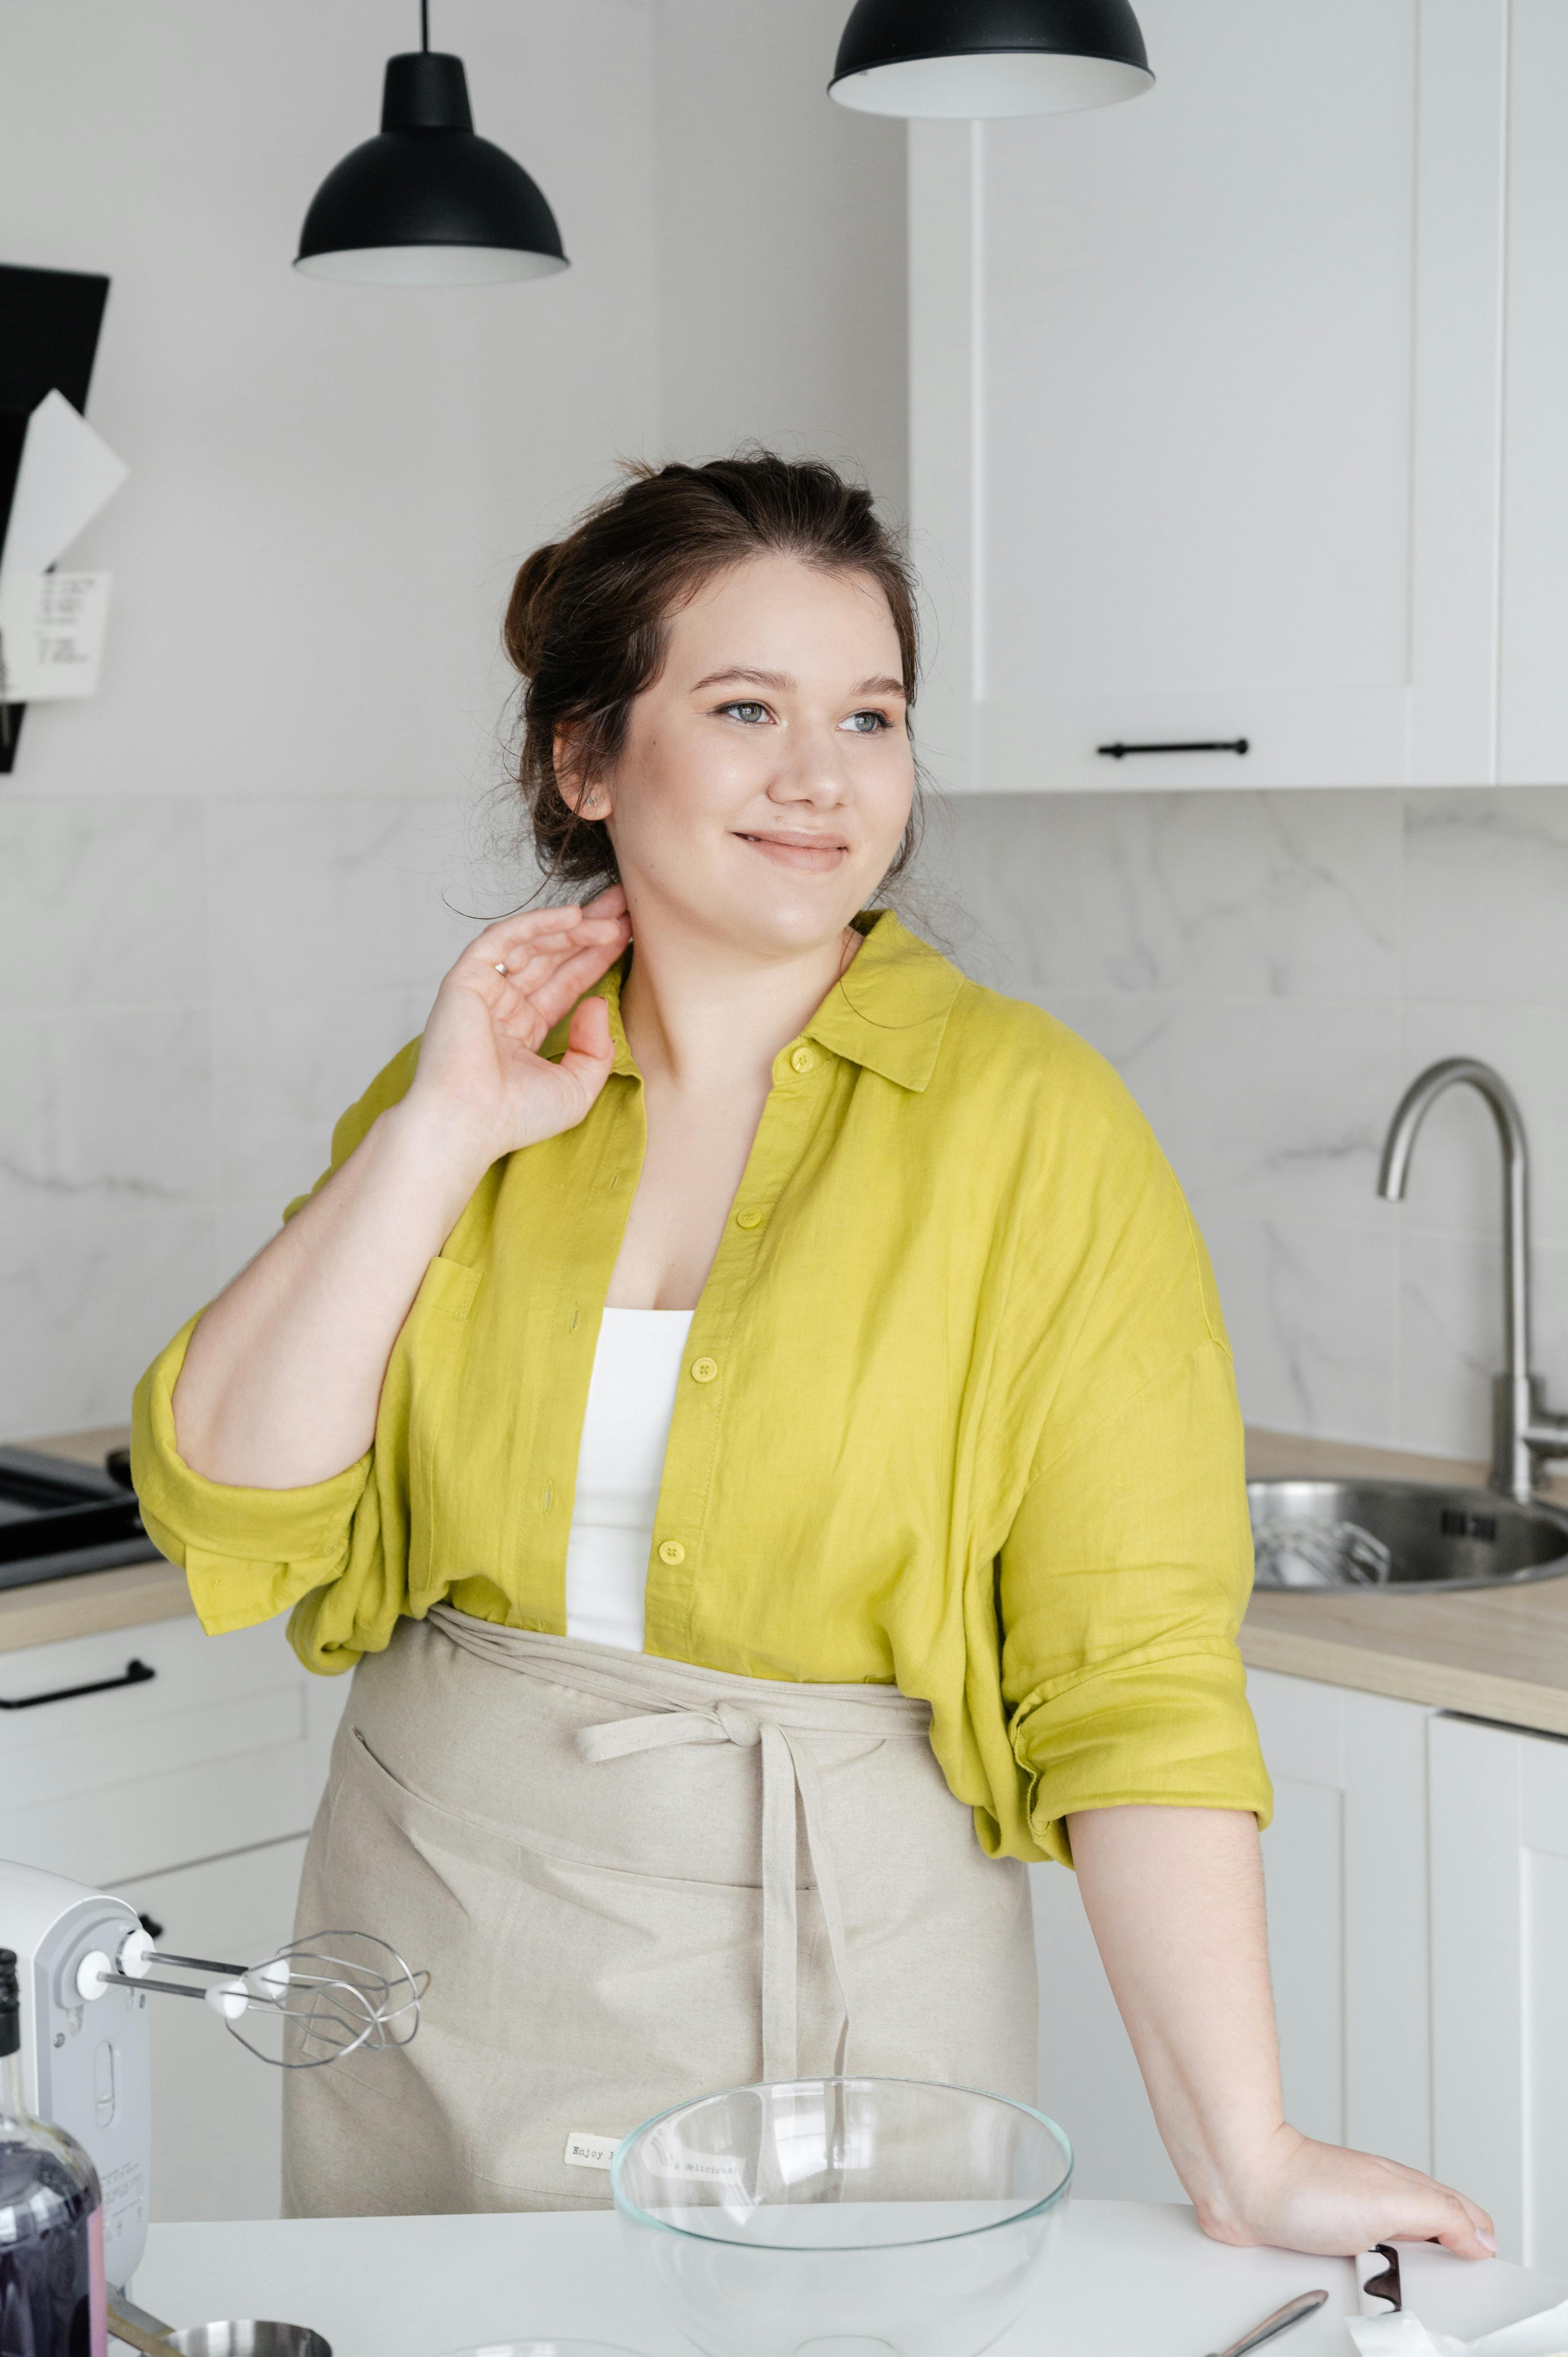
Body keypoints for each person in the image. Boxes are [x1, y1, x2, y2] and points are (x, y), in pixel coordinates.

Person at [132, 453, 1492, 2253]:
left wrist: (1245, 2146)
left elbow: (1130, 1669)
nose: (821, 777)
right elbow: (226, 1495)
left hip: (844, 2015)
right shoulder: (468, 1093)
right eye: (746, 706)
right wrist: (439, 1130)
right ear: (587, 757)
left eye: (870, 714)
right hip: (426, 1974)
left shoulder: (1032, 1126)